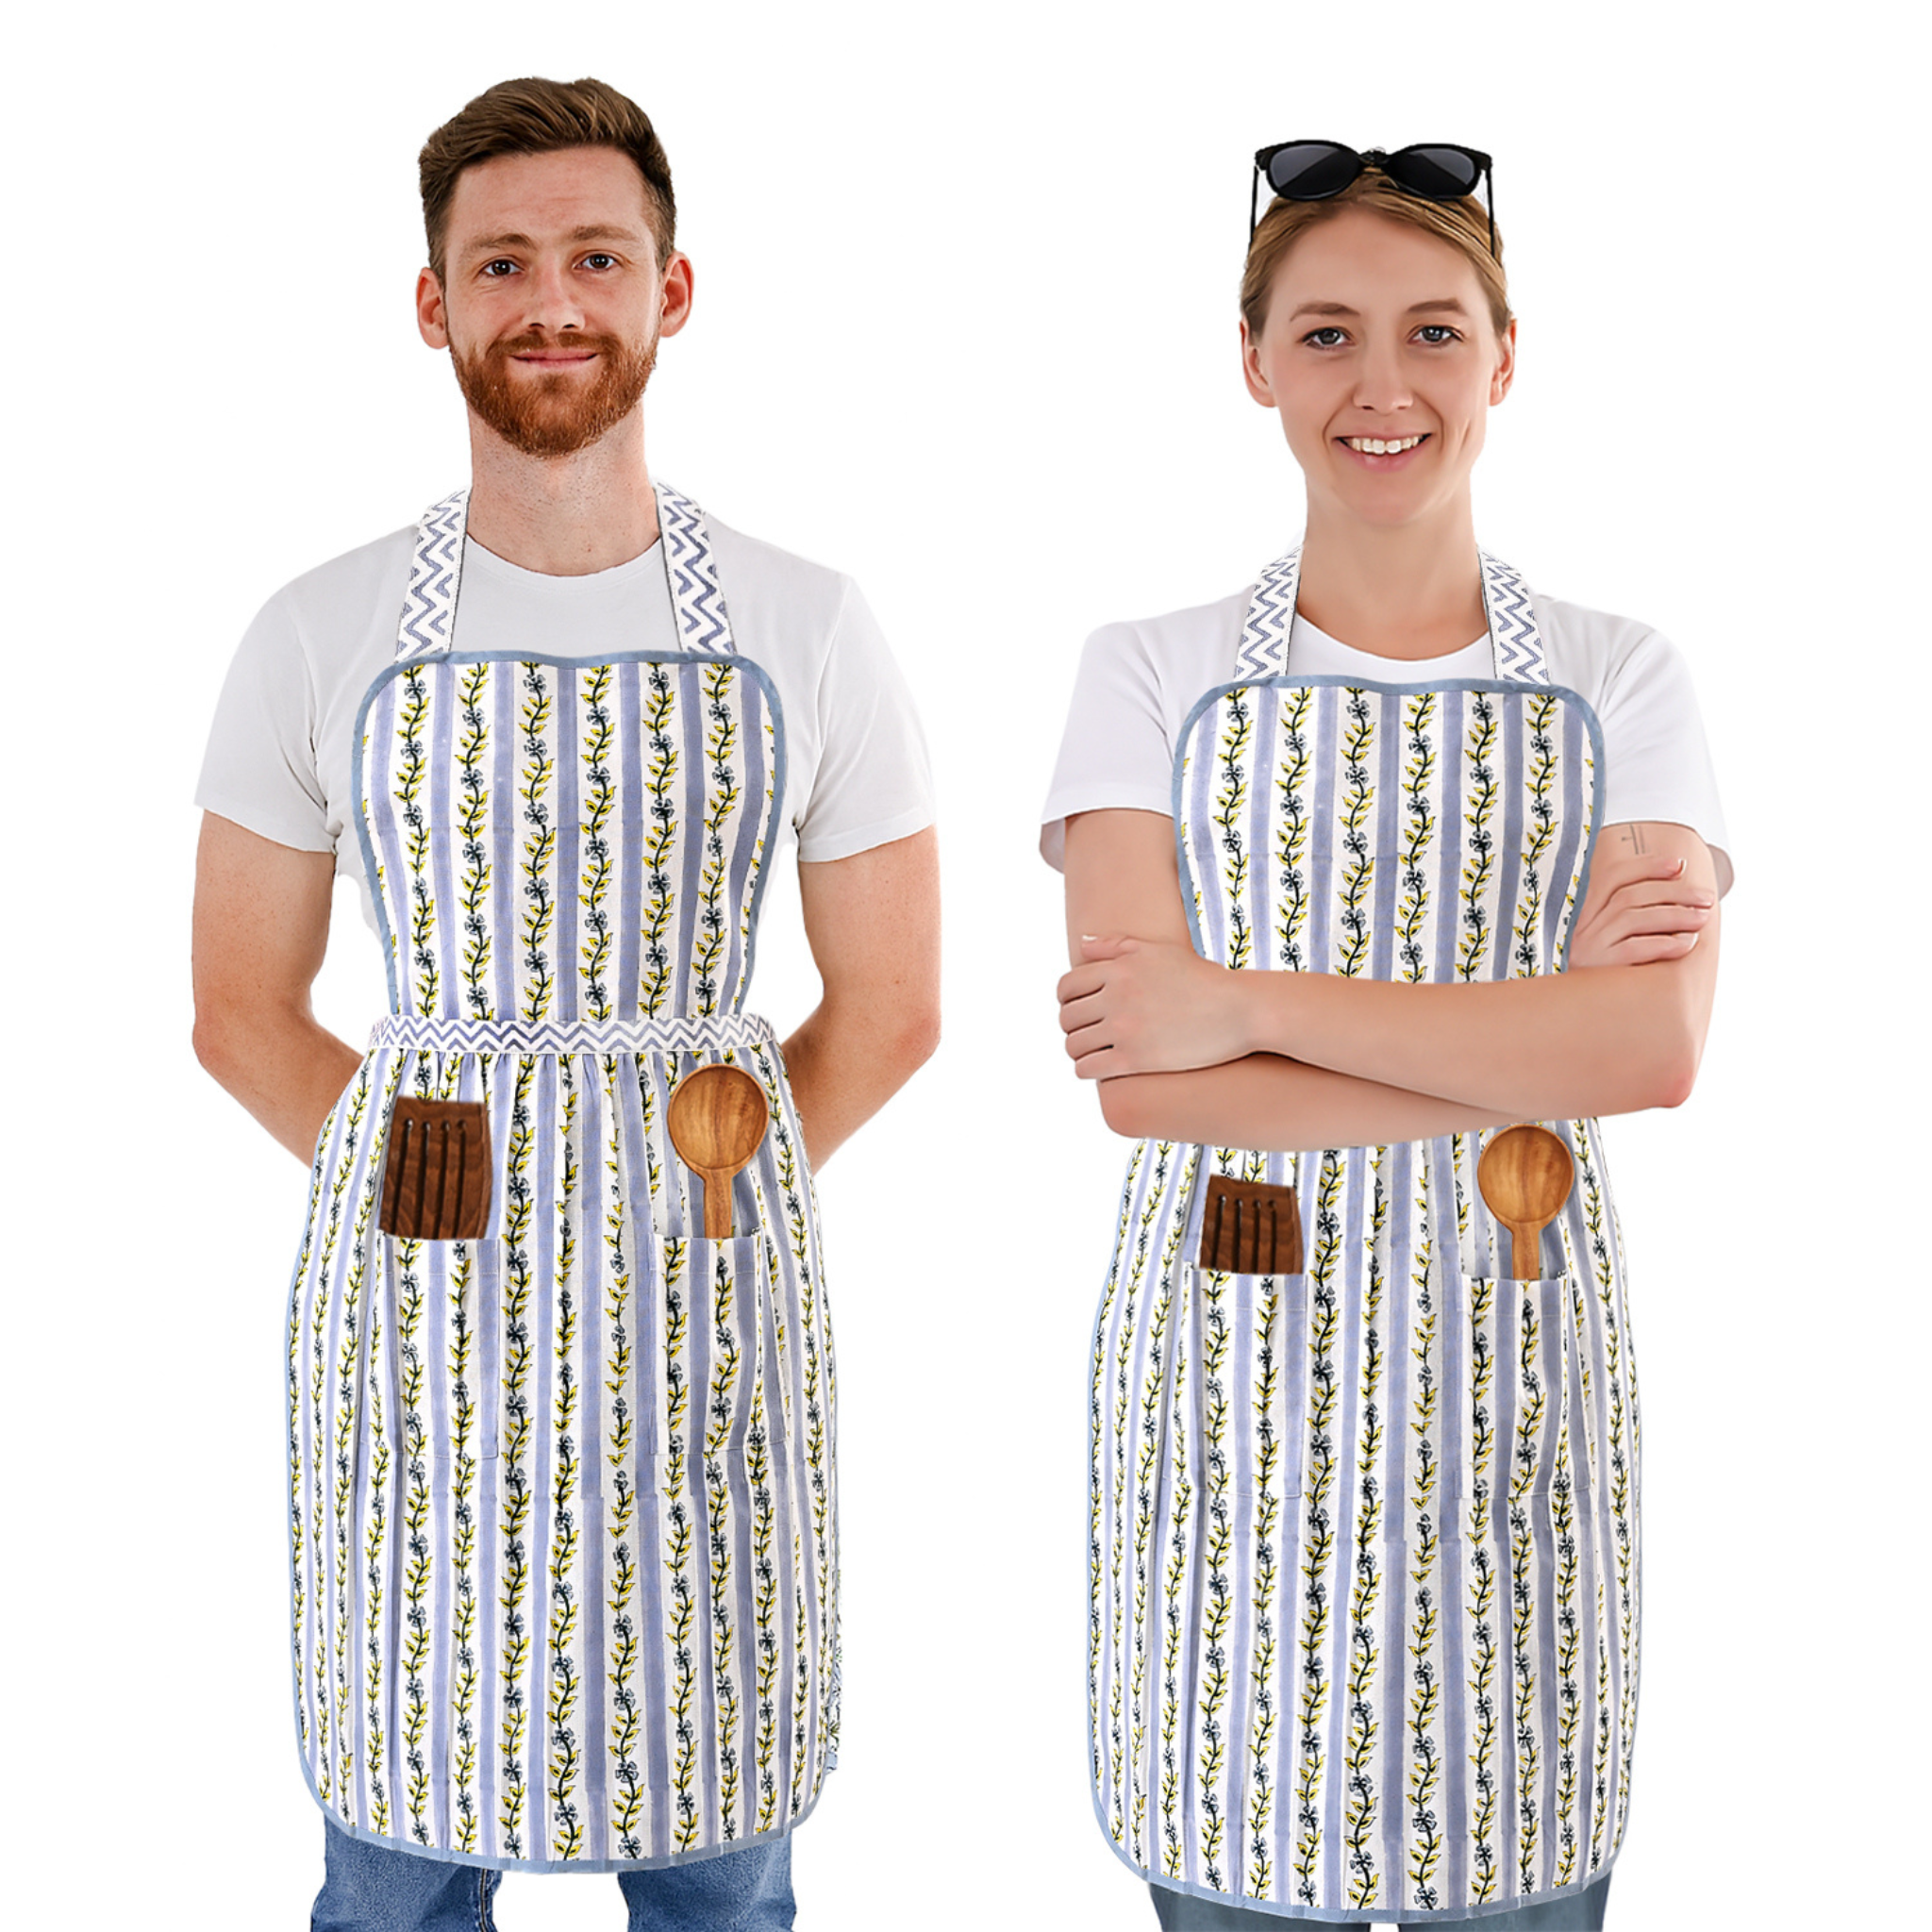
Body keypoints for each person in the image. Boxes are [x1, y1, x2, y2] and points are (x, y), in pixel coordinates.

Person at [192, 75, 940, 1931]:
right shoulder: (315, 630)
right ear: (431, 303)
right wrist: (440, 1195)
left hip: (702, 1311)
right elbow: (238, 1004)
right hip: (422, 1341)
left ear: (671, 292)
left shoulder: (807, 623)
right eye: (502, 262)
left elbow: (895, 1000)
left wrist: (690, 1182)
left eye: (595, 258)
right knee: (396, 1862)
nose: (552, 300)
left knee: (714, 1861)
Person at [1043, 143, 1727, 1929]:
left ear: (1504, 359)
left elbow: (1651, 1052)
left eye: (1433, 331)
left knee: (1515, 1865)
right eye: (1328, 332)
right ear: (1255, 360)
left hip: (1513, 1378)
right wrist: (1522, 1033)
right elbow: (1140, 1083)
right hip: (1226, 1396)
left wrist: (1246, 1003)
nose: (1384, 384)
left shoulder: (1622, 678)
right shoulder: (1151, 671)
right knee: (1233, 1863)